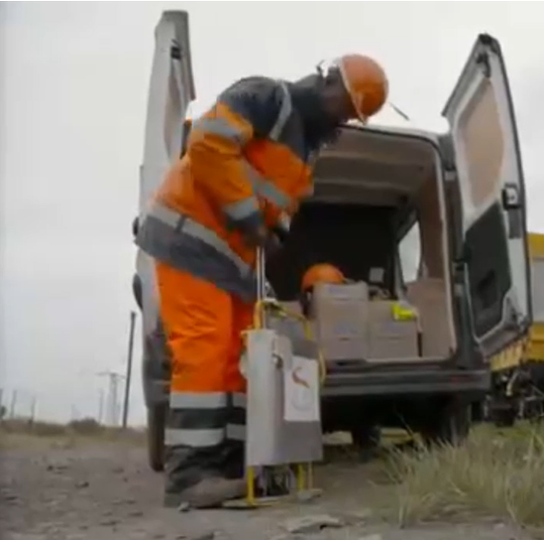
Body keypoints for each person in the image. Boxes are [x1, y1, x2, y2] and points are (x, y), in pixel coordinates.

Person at [135, 55, 389, 507]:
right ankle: (189, 475)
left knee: (239, 357)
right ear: (326, 79)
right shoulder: (266, 97)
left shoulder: (307, 150)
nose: (342, 118)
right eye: (342, 105)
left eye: (351, 115)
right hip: (188, 238)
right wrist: (248, 216)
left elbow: (283, 205)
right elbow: (209, 144)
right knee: (205, 346)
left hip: (231, 260)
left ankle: (229, 465)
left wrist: (276, 234)